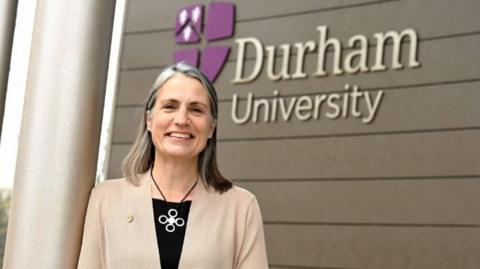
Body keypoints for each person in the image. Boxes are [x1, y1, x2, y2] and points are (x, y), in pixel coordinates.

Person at [77, 62, 269, 269]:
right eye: (170, 106)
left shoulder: (241, 207)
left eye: (196, 109)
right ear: (149, 120)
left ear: (211, 127)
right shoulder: (106, 199)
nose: (182, 119)